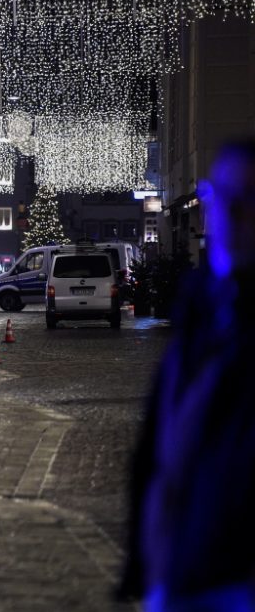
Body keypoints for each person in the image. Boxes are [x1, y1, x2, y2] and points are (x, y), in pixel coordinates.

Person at [120, 141, 255, 611]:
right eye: (222, 198)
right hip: (179, 574)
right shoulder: (201, 311)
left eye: (249, 202)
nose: (232, 215)